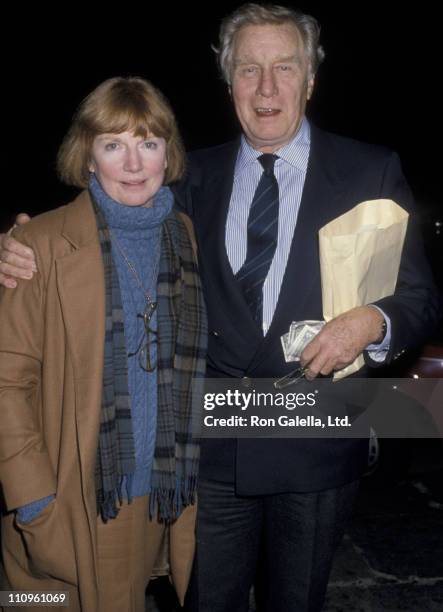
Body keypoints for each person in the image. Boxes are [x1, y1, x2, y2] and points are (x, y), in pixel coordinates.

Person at [1, 4, 440, 612]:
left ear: (310, 79)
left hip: (314, 441)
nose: (266, 87)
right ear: (228, 82)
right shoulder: (186, 178)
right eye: (248, 69)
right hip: (208, 453)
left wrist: (373, 322)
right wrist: (17, 244)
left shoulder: (370, 169)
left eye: (284, 67)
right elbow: (103, 213)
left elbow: (420, 296)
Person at [0, 76, 207, 612]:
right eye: (114, 145)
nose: (134, 164)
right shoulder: (36, 244)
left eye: (148, 143)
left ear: (168, 154)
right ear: (88, 158)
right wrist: (32, 499)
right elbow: (6, 381)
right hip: (75, 496)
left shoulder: (182, 235)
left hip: (162, 495)